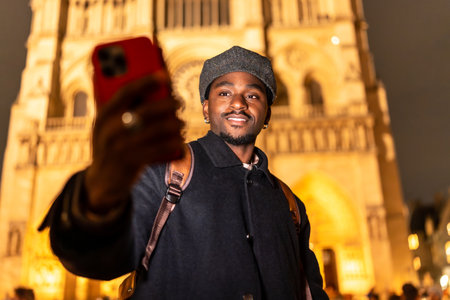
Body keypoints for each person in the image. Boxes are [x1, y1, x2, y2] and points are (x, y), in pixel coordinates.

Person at [39, 45, 328, 299]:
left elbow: (308, 291)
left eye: (253, 95)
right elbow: (99, 258)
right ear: (205, 108)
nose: (238, 103)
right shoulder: (166, 174)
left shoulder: (289, 203)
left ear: (267, 114)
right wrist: (99, 194)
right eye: (224, 92)